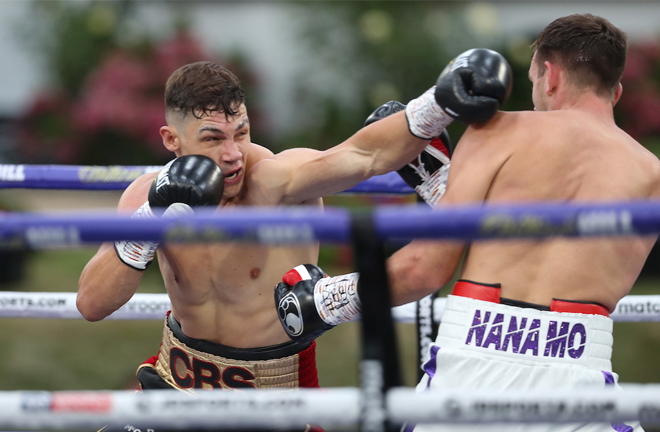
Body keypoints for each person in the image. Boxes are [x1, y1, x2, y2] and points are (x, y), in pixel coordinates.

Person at [77, 50, 510, 429]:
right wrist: (150, 220)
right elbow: (92, 305)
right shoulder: (146, 195)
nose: (232, 154)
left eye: (240, 133)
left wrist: (438, 104)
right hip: (175, 384)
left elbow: (363, 155)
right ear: (172, 140)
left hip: (276, 398)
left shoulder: (274, 182)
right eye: (212, 139)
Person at [276, 14, 659, 432]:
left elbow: (424, 268)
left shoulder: (500, 132)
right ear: (616, 91)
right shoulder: (652, 176)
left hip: (472, 366)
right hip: (580, 371)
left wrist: (325, 299)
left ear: (549, 76)